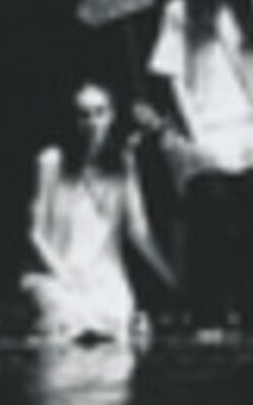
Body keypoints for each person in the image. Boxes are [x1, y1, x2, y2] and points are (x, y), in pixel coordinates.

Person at [144, 0, 253, 342]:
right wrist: (196, 134)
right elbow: (174, 77)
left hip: (248, 130)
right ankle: (209, 312)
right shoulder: (180, 10)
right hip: (201, 131)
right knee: (212, 205)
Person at [21, 81, 175, 346]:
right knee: (66, 320)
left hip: (106, 279)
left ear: (111, 116)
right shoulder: (51, 161)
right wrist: (65, 275)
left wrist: (172, 280)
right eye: (84, 114)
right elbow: (35, 233)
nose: (93, 122)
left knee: (114, 320)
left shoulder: (123, 163)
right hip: (57, 274)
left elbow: (138, 231)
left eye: (99, 112)